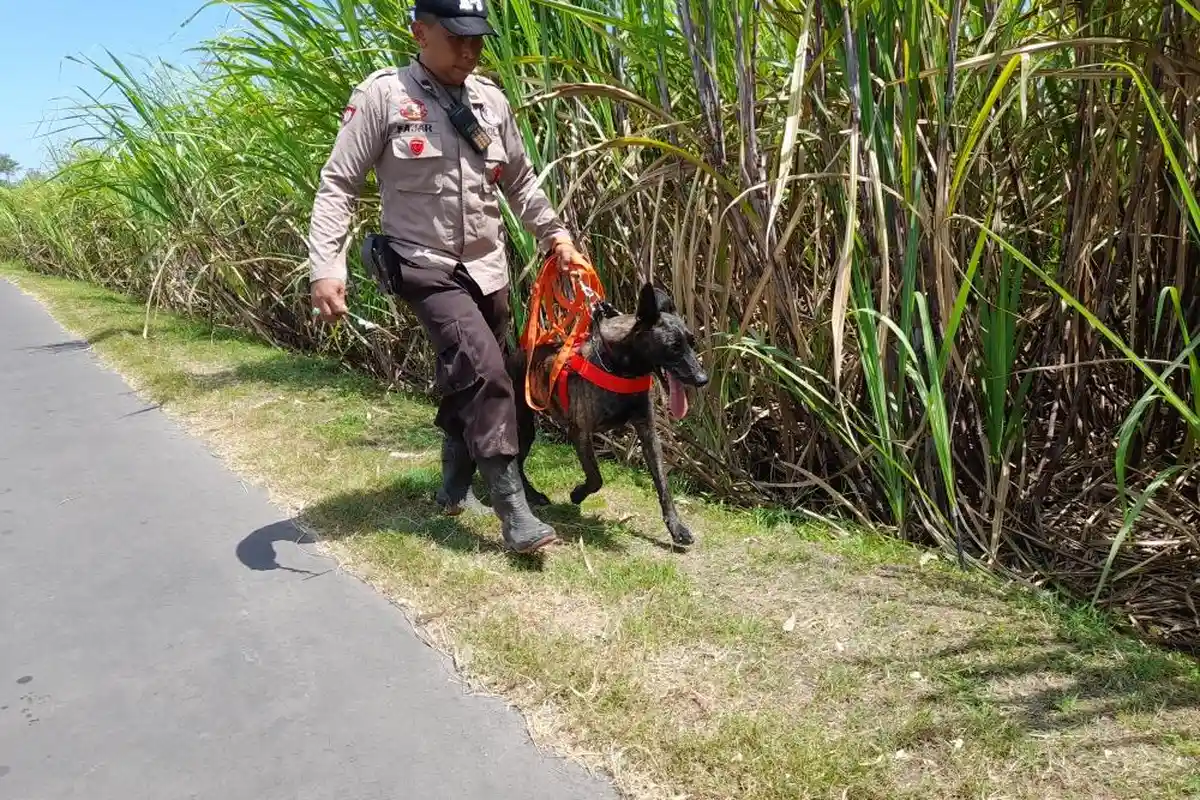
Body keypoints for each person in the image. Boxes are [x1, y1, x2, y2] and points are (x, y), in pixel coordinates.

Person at [305, 0, 586, 554]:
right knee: (484, 371)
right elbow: (339, 184)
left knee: (491, 367)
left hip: (487, 267)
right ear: (420, 32)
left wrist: (556, 235)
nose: (470, 50)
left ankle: (454, 484)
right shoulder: (384, 97)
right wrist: (326, 268)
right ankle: (513, 512)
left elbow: (521, 182)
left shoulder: (491, 102)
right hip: (422, 263)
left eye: (477, 38)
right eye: (456, 37)